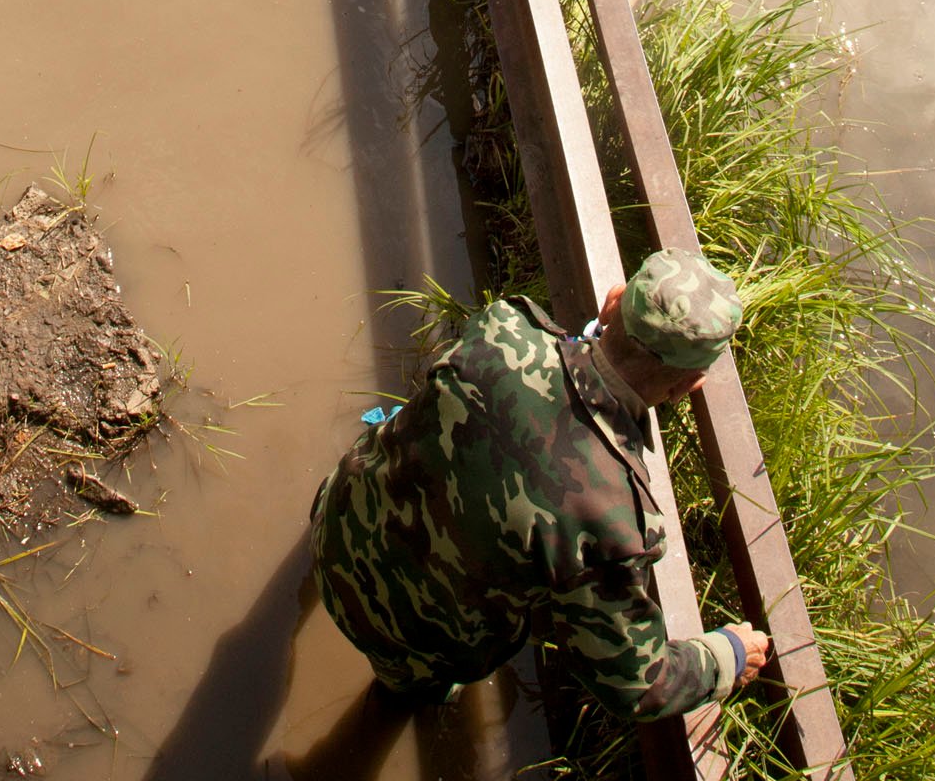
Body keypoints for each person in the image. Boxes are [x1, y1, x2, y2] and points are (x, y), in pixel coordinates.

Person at [311, 250, 770, 719]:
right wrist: (725, 655)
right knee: (403, 694)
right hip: (406, 639)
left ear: (613, 304)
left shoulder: (504, 326)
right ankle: (387, 711)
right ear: (685, 386)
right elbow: (639, 684)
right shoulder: (615, 522)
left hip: (333, 523)